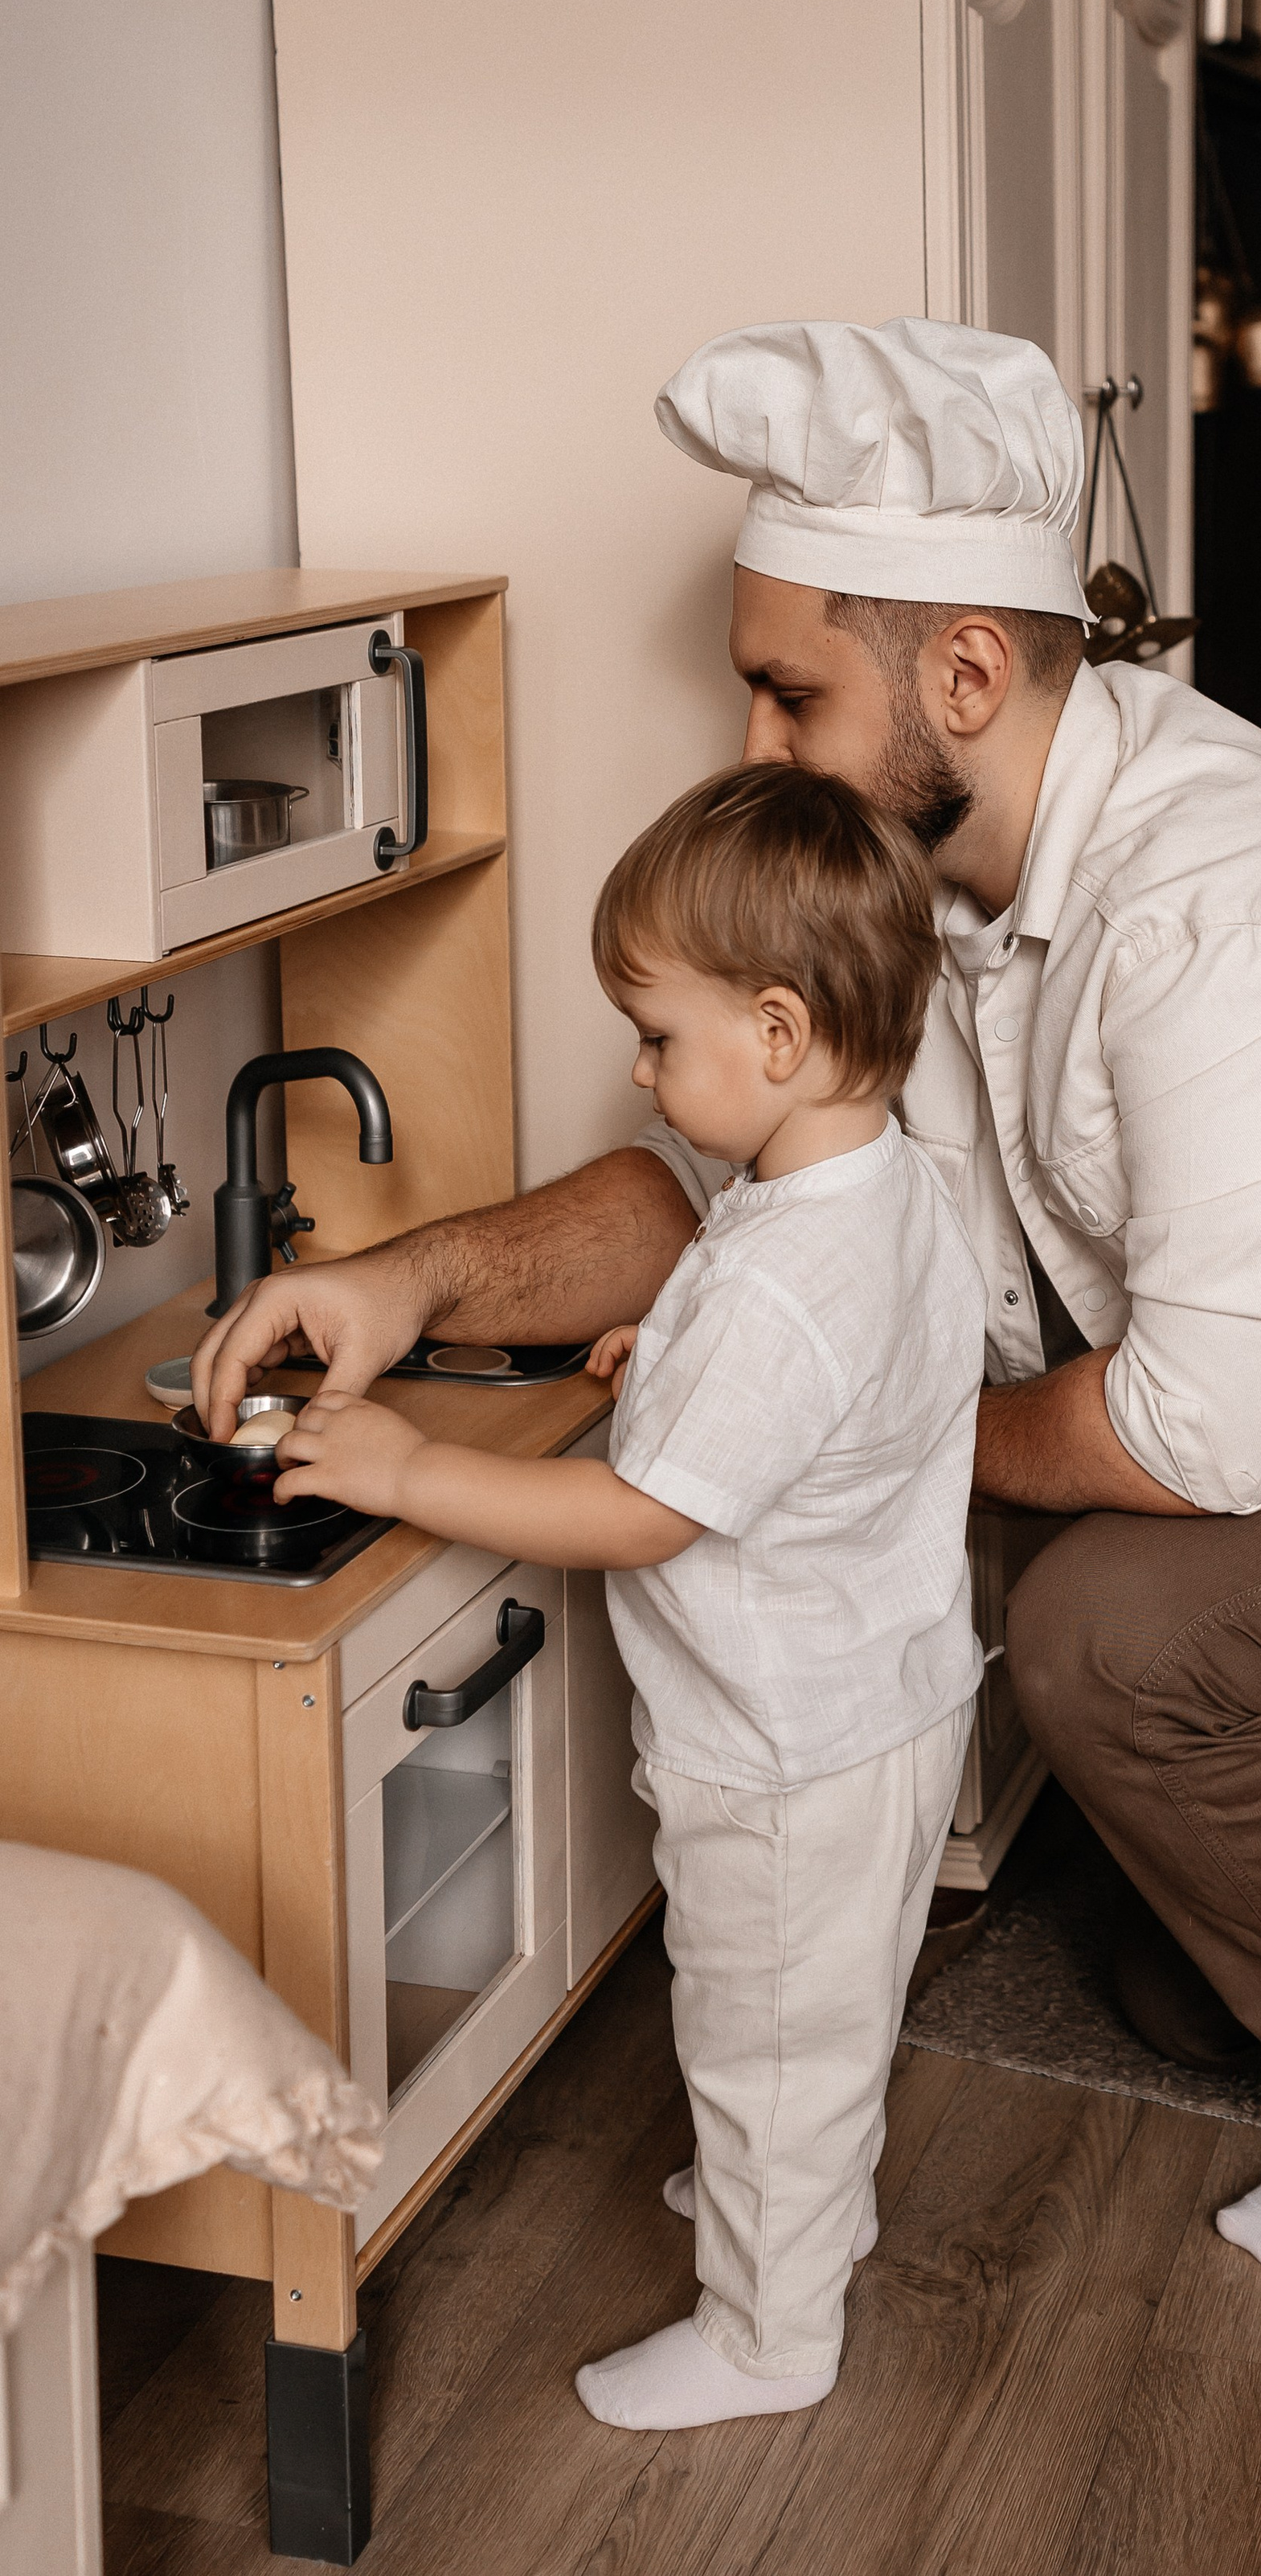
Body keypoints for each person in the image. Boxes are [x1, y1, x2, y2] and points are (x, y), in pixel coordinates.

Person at [199, 315, 1261, 2288]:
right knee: (1209, 1978)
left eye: (784, 698)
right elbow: (721, 1194)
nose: (750, 754)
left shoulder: (1219, 902)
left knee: (1108, 1640)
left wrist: (843, 1421)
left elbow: (1196, 1434)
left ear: (960, 672)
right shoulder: (912, 882)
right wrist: (401, 1279)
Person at [271, 760, 985, 2426]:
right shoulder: (872, 1195)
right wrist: (669, 1345)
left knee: (764, 2040)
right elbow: (822, 1387)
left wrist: (404, 1471)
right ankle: (802, 2202)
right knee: (821, 2020)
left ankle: (767, 2330)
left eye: (661, 1039)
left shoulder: (781, 1286)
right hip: (877, 1704)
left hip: (788, 1750)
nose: (643, 1071)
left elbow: (638, 1512)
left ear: (783, 1035)